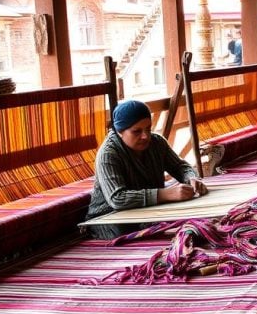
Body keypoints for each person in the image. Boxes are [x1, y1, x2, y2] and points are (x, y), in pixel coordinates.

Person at [84, 100, 208, 239]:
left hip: (147, 210)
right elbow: (117, 199)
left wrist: (191, 178)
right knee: (126, 231)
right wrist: (164, 194)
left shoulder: (157, 143)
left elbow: (180, 166)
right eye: (136, 131)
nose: (145, 136)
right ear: (119, 132)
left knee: (193, 219)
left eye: (148, 129)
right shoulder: (108, 154)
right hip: (110, 216)